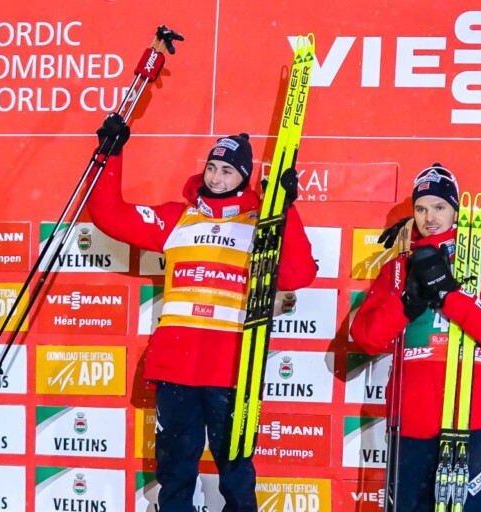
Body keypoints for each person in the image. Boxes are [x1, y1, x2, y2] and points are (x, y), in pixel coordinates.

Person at [87, 114, 317, 511]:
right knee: (175, 471)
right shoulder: (178, 217)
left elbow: (298, 274)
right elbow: (109, 215)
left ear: (243, 178)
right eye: (212, 167)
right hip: (177, 365)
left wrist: (286, 209)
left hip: (232, 367)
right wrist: (110, 154)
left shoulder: (260, 223)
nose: (216, 177)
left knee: (236, 471)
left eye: (227, 170)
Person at [350, 164, 481, 512]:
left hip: (470, 421)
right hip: (411, 423)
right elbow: (367, 338)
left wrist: (450, 294)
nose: (430, 217)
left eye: (440, 207)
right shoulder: (398, 268)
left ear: (456, 210)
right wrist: (406, 305)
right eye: (421, 208)